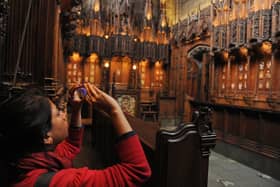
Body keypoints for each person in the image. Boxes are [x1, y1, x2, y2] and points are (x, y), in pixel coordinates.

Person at [0, 83, 151, 186]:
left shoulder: (27, 159)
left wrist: (77, 108)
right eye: (58, 113)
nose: (64, 115)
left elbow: (71, 145)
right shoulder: (65, 182)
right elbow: (137, 170)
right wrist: (115, 110)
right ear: (46, 137)